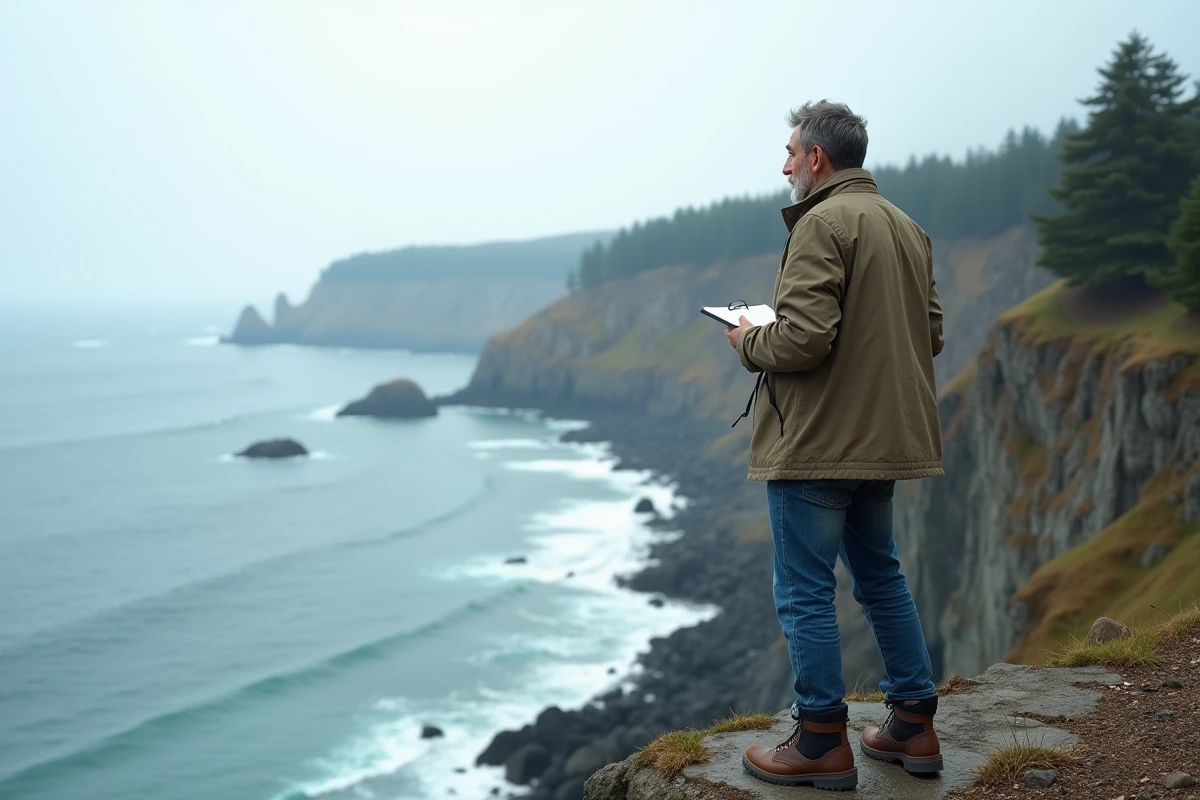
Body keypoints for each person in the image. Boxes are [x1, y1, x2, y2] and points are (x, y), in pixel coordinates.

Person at [725, 100, 945, 791]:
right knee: (882, 578)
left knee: (805, 592)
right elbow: (929, 333)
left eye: (791, 152)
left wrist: (746, 339)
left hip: (819, 443)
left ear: (817, 159)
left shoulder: (821, 222)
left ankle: (820, 739)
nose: (785, 164)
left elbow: (802, 338)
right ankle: (913, 723)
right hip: (883, 439)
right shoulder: (905, 226)